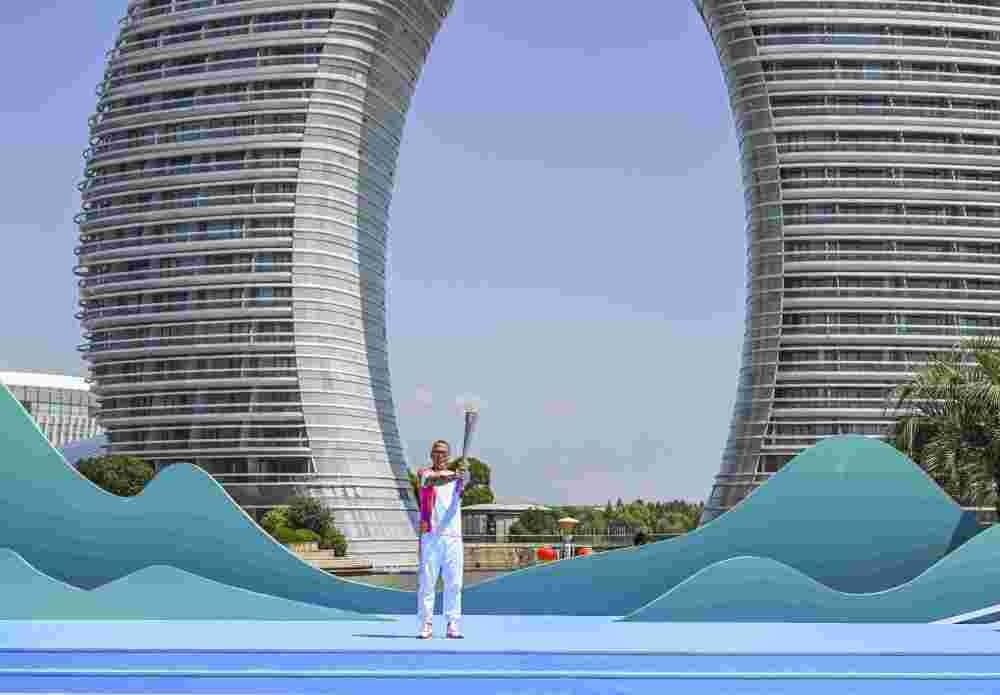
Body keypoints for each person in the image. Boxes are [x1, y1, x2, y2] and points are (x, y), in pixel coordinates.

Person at [416, 439, 466, 639]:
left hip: (453, 537)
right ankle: (426, 624)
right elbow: (435, 481)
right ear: (431, 455)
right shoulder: (424, 474)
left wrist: (464, 474)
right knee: (427, 583)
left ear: (448, 456)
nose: (440, 455)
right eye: (436, 452)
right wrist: (455, 474)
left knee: (454, 583)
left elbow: (464, 480)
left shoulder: (459, 478)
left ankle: (453, 623)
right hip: (430, 536)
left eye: (443, 452)